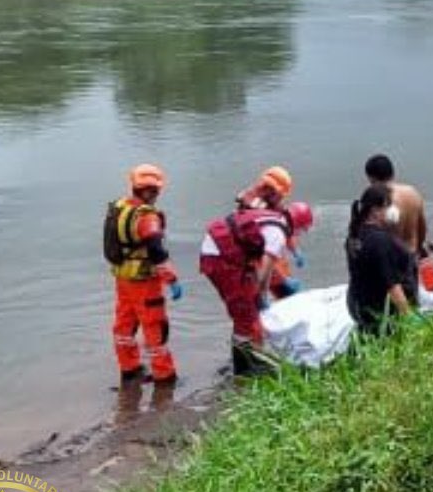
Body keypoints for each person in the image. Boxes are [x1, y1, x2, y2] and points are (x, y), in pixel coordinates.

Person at [104, 163, 182, 385]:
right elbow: (157, 251)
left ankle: (129, 370)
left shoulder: (120, 206)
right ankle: (164, 377)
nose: (156, 194)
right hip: (144, 281)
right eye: (156, 190)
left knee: (124, 325)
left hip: (122, 277)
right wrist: (172, 279)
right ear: (154, 190)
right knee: (155, 326)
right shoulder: (146, 216)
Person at [199, 204, 273, 377]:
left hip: (219, 253)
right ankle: (243, 369)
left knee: (246, 312)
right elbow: (263, 270)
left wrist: (257, 294)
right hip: (221, 258)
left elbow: (255, 263)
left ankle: (248, 357)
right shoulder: (277, 230)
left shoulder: (264, 217)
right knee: (244, 315)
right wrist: (261, 295)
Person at [345, 184, 417, 336]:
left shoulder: (354, 235)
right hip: (379, 311)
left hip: (357, 304)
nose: (392, 210)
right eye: (388, 205)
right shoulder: (380, 241)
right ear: (375, 211)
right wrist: (409, 318)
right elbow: (392, 286)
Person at [268, 201, 315, 299]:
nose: (301, 233)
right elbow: (265, 264)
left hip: (267, 260)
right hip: (249, 265)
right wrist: (283, 280)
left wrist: (295, 251)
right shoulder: (275, 232)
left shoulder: (284, 219)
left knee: (287, 290)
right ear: (296, 223)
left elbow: (289, 235)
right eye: (301, 229)